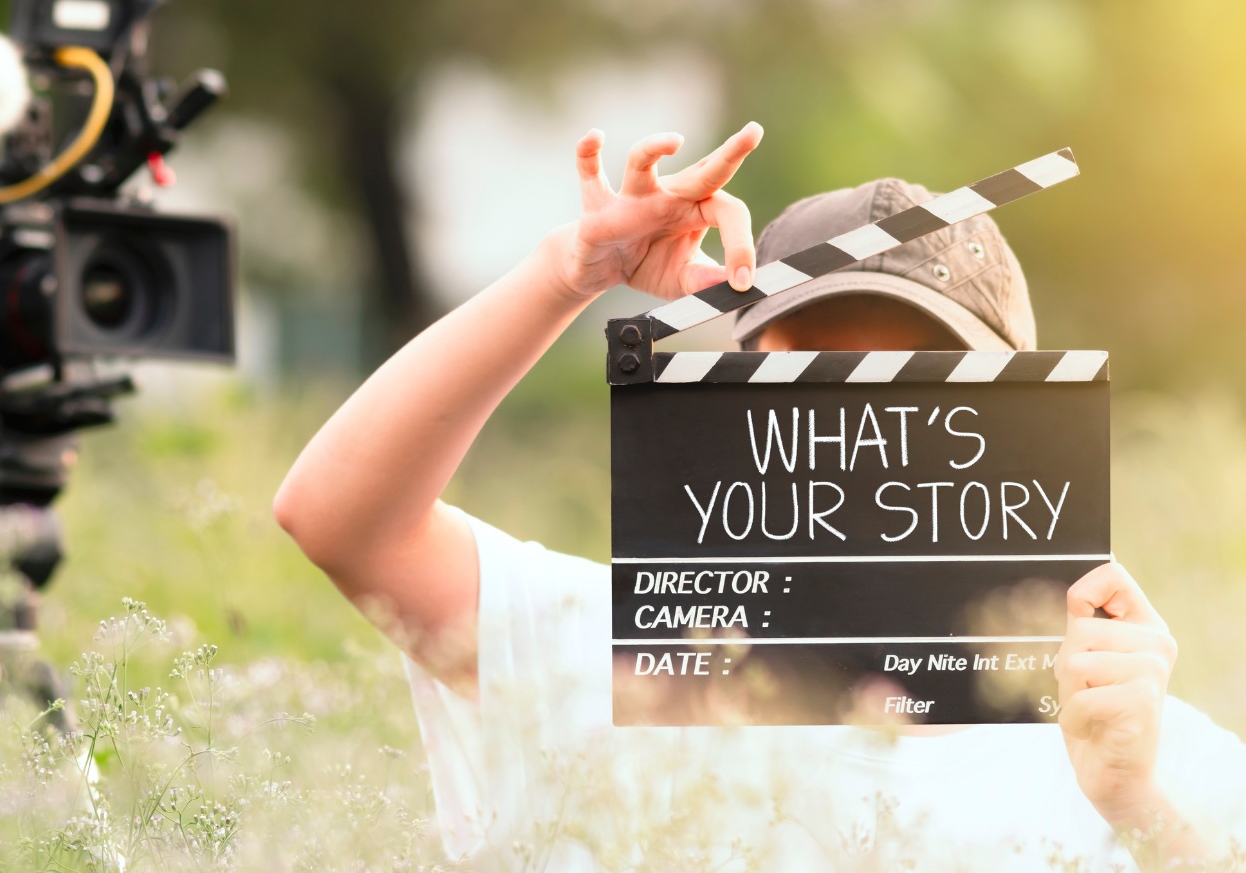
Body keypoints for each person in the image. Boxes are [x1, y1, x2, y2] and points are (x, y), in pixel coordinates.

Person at [273, 125, 1246, 870]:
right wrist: (564, 278)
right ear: (735, 404)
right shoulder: (623, 663)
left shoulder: (1149, 752)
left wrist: (1140, 802)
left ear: (1019, 422)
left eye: (922, 380)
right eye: (814, 375)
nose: (864, 426)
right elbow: (342, 522)